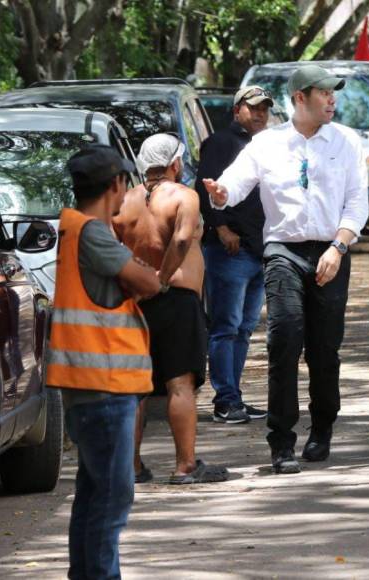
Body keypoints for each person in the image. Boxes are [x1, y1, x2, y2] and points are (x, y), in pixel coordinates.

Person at [203, 64, 369, 474]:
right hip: (283, 252)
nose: (333, 99)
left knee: (324, 349)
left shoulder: (346, 141)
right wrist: (221, 194)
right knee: (284, 342)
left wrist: (338, 246)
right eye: (324, 92)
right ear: (300, 98)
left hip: (332, 249)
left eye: (334, 93)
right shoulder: (268, 144)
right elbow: (234, 184)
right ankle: (281, 441)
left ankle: (323, 427)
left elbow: (356, 203)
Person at [47, 145, 160, 579]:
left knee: (94, 498)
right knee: (112, 501)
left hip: (93, 384)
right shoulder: (92, 233)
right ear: (115, 184)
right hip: (103, 385)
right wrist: (141, 271)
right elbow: (146, 280)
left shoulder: (76, 229)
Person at [113, 133, 229, 485]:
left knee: (137, 389)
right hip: (176, 298)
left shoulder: (126, 202)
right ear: (175, 164)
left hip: (137, 303)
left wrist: (135, 283)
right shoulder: (185, 196)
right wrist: (162, 278)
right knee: (180, 385)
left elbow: (109, 245)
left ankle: (131, 467)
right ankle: (185, 465)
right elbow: (180, 239)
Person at [195, 85, 273, 425]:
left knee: (244, 328)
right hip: (230, 249)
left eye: (264, 109)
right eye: (253, 108)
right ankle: (225, 400)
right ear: (237, 109)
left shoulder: (267, 146)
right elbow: (204, 189)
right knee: (225, 327)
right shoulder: (221, 143)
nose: (259, 114)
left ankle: (235, 396)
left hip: (259, 249)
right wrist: (221, 228)